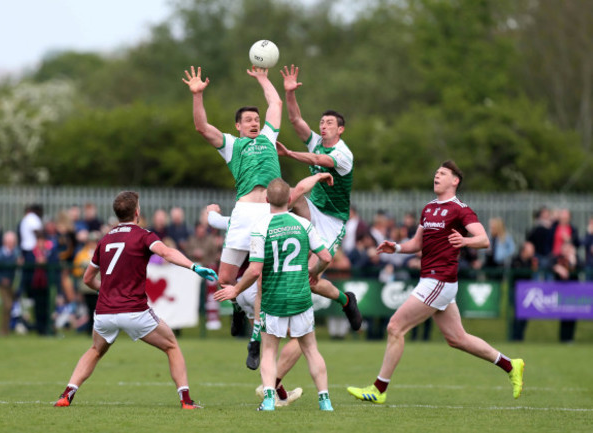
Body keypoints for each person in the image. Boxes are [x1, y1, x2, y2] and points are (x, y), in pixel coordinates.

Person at [347, 160, 525, 404]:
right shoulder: (429, 208)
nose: (436, 176)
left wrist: (465, 241)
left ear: (455, 181)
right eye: (436, 173)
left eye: (443, 173)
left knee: (395, 327)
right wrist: (396, 247)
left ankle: (379, 389)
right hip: (431, 280)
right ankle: (510, 365)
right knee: (457, 339)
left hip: (439, 280)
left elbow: (484, 239)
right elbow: (416, 244)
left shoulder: (460, 209)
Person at [54, 191, 218, 409]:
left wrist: (108, 291)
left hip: (104, 313)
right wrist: (195, 266)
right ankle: (186, 401)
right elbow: (167, 253)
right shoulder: (143, 235)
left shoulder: (104, 240)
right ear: (137, 212)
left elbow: (87, 279)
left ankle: (66, 395)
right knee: (171, 346)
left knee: (94, 350)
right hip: (134, 312)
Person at [182, 64, 282, 366]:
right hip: (242, 214)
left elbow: (275, 104)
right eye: (248, 120)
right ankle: (239, 307)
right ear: (238, 125)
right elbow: (202, 128)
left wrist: (264, 79)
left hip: (268, 213)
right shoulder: (232, 145)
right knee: (226, 279)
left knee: (262, 277)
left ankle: (255, 337)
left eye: (257, 119)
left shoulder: (267, 139)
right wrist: (198, 96)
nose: (254, 123)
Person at [215, 178, 334, 411]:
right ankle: (325, 400)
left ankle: (269, 399)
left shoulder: (260, 228)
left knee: (269, 350)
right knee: (311, 350)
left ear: (267, 199)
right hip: (300, 297)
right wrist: (315, 272)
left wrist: (236, 289)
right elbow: (327, 257)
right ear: (290, 200)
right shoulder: (303, 224)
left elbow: (255, 269)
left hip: (273, 298)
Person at [278, 65, 362, 331]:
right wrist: (289, 93)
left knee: (309, 278)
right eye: (322, 123)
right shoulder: (316, 140)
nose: (323, 126)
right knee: (290, 192)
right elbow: (295, 121)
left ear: (341, 130)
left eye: (330, 124)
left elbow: (317, 160)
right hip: (312, 207)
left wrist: (290, 154)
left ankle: (346, 300)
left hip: (332, 221)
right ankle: (264, 223)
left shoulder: (343, 154)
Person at [0, 231, 21, 336]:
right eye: (9, 242)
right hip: (3, 285)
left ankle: (17, 325)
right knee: (8, 305)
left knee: (17, 303)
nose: (11, 244)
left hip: (12, 284)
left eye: (13, 242)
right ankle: (4, 330)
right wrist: (1, 279)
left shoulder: (16, 253)